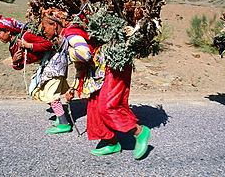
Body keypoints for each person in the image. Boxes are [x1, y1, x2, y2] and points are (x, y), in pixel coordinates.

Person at [41, 11, 151, 160]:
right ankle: (112, 143)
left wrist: (67, 48)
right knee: (94, 108)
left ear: (54, 25)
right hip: (98, 70)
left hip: (112, 65)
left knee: (107, 106)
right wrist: (73, 87)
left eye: (44, 27)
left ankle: (139, 131)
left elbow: (84, 54)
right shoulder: (67, 38)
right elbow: (80, 64)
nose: (43, 32)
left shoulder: (71, 35)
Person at [0, 11, 72, 134]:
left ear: (8, 31)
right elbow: (19, 66)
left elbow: (48, 45)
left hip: (54, 61)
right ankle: (61, 114)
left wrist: (28, 45)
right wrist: (15, 62)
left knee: (49, 93)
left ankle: (64, 123)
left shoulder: (26, 37)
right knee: (40, 91)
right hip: (45, 65)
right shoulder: (12, 46)